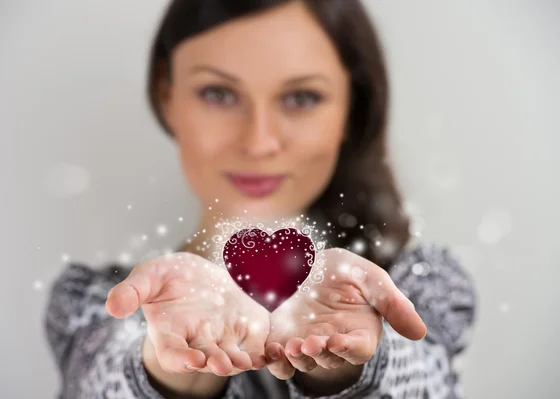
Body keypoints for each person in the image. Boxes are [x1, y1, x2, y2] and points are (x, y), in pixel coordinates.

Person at [44, 1, 478, 398]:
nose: (259, 142)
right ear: (166, 94)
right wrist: (167, 370)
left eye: (301, 97)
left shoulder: (424, 288)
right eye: (219, 93)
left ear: (352, 109)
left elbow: (425, 378)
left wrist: (349, 365)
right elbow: (96, 379)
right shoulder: (91, 305)